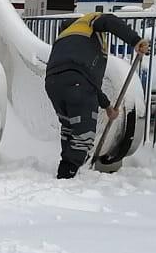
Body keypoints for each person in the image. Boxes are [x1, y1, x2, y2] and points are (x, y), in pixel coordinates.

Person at [45, 12, 149, 179]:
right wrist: (135, 40)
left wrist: (107, 107)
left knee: (69, 127)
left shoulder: (66, 37)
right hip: (78, 83)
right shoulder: (90, 22)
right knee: (83, 133)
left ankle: (67, 168)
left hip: (53, 84)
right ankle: (67, 175)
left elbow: (87, 82)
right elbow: (109, 20)